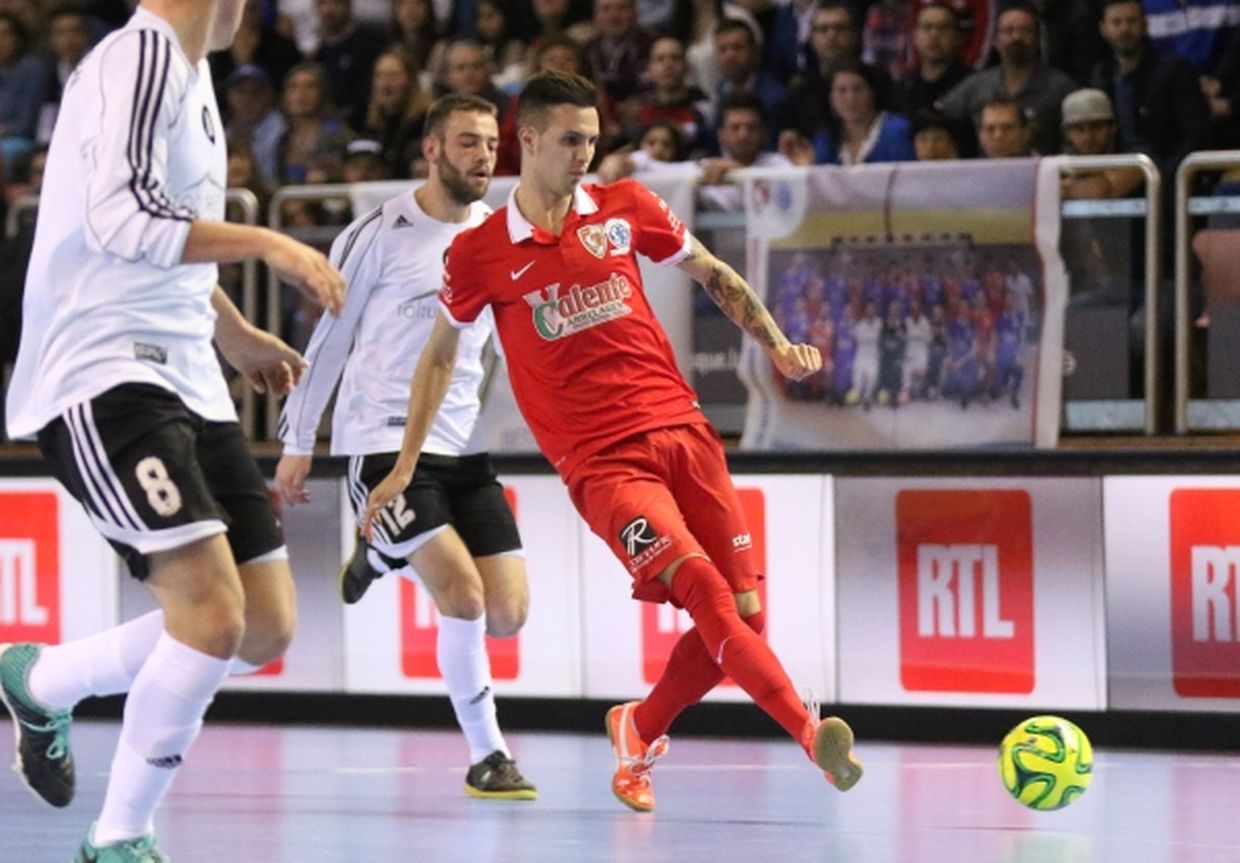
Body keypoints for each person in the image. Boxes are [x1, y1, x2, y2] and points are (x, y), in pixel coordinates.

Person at [363, 70, 863, 814]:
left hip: (686, 433)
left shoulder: (626, 208)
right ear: (526, 140)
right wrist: (405, 461)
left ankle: (640, 726)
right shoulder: (480, 252)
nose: (585, 154)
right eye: (570, 140)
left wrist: (778, 342)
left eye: (593, 139)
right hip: (603, 463)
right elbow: (439, 354)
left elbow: (713, 273)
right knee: (704, 594)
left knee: (747, 614)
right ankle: (810, 734)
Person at [0, 1, 345, 860]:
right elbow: (122, 218)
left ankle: (39, 679)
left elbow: (156, 221)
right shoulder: (139, 58)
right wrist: (271, 243)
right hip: (106, 372)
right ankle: (120, 838)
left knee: (261, 624)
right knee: (212, 617)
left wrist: (231, 331)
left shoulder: (188, 75)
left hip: (187, 372)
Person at [274, 94, 537, 800]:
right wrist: (300, 438)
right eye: (467, 144)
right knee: (463, 595)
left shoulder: (499, 235)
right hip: (382, 445)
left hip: (463, 447)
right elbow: (328, 339)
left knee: (509, 613)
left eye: (490, 144)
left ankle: (383, 549)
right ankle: (489, 755)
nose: (484, 157)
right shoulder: (378, 232)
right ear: (430, 149)